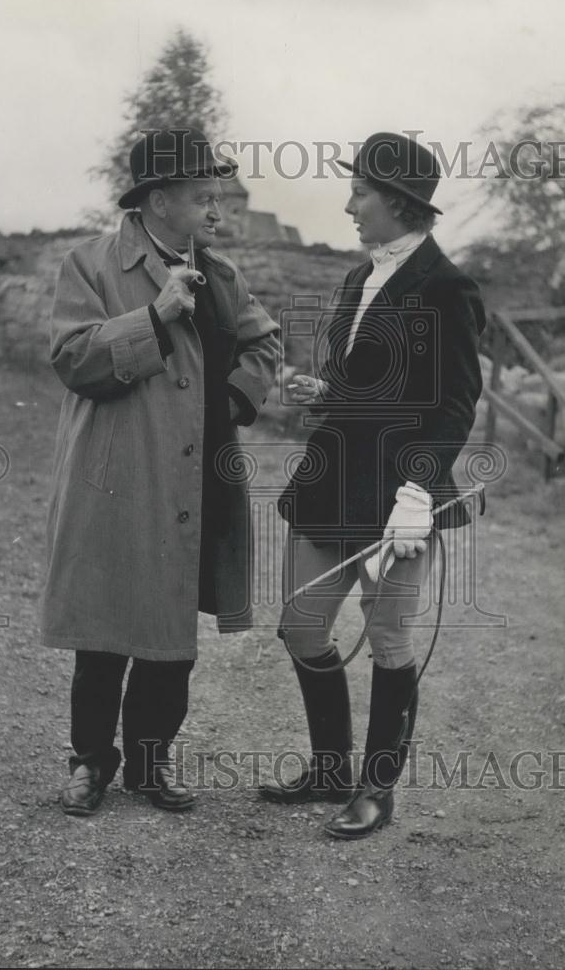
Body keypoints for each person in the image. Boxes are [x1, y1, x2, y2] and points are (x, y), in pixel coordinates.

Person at [42, 128, 281, 817]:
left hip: (191, 479)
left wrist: (237, 395)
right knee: (105, 625)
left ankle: (150, 762)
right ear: (158, 199)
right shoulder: (89, 265)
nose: (217, 211)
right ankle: (89, 763)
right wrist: (153, 315)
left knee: (172, 630)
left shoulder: (222, 275)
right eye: (204, 197)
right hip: (115, 477)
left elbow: (265, 340)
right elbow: (73, 359)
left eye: (218, 198)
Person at [262, 132, 485, 839]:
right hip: (331, 479)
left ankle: (375, 792)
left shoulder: (447, 287)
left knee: (388, 638)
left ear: (396, 203)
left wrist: (418, 493)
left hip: (400, 497)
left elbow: (452, 404)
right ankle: (329, 768)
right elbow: (372, 385)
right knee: (301, 626)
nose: (349, 204)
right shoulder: (359, 278)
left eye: (360, 192)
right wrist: (322, 390)